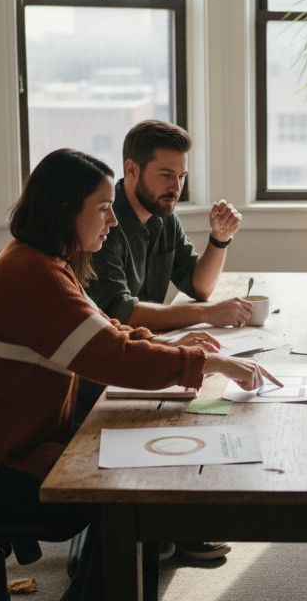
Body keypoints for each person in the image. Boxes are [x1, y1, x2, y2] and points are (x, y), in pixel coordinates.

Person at [0, 148, 277, 601]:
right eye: (102, 208)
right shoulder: (32, 275)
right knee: (129, 493)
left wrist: (175, 348)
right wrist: (207, 363)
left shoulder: (46, 261)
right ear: (64, 210)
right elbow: (113, 356)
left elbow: (107, 329)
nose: (112, 220)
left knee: (136, 467)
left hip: (13, 443)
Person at [85, 119, 248, 561]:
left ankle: (175, 521)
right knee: (194, 399)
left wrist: (220, 240)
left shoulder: (163, 218)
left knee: (212, 395)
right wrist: (203, 315)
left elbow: (200, 285)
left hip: (140, 344)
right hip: (107, 360)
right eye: (165, 175)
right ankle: (155, 525)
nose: (175, 187)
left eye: (181, 176)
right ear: (131, 169)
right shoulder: (104, 224)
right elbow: (119, 311)